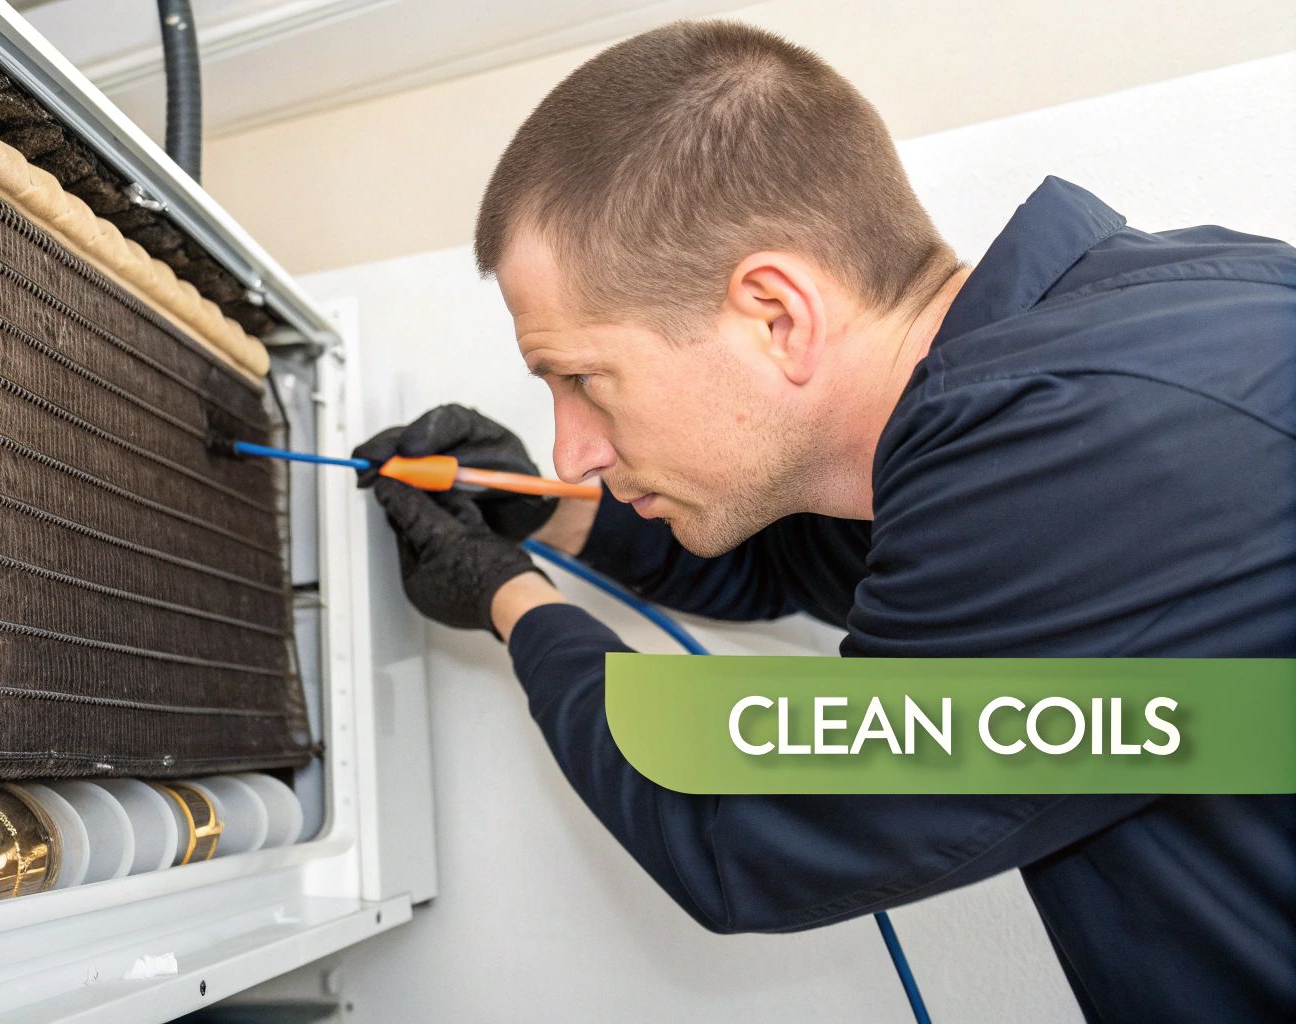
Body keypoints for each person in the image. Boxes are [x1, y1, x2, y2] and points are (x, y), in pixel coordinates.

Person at [353, 20, 1296, 1024]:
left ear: (774, 314)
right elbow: (797, 565)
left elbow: (733, 821)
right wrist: (542, 517)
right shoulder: (1088, 357)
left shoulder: (1087, 455)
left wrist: (506, 597)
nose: (573, 448)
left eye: (583, 378)